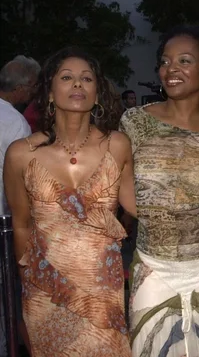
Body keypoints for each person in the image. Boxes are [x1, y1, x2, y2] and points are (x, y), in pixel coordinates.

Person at [3, 46, 135, 356]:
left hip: (102, 292)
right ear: (49, 92)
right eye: (66, 77)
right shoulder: (21, 154)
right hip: (45, 291)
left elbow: (139, 206)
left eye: (86, 78)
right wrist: (30, 288)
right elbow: (20, 226)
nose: (77, 84)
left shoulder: (117, 145)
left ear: (97, 94)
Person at [120, 25, 199, 357]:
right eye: (166, 61)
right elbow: (122, 188)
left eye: (185, 60)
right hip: (153, 263)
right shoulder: (135, 122)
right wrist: (162, 220)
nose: (172, 69)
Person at [0, 56, 39, 213]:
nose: (34, 91)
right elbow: (24, 174)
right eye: (34, 85)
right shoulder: (17, 122)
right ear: (22, 87)